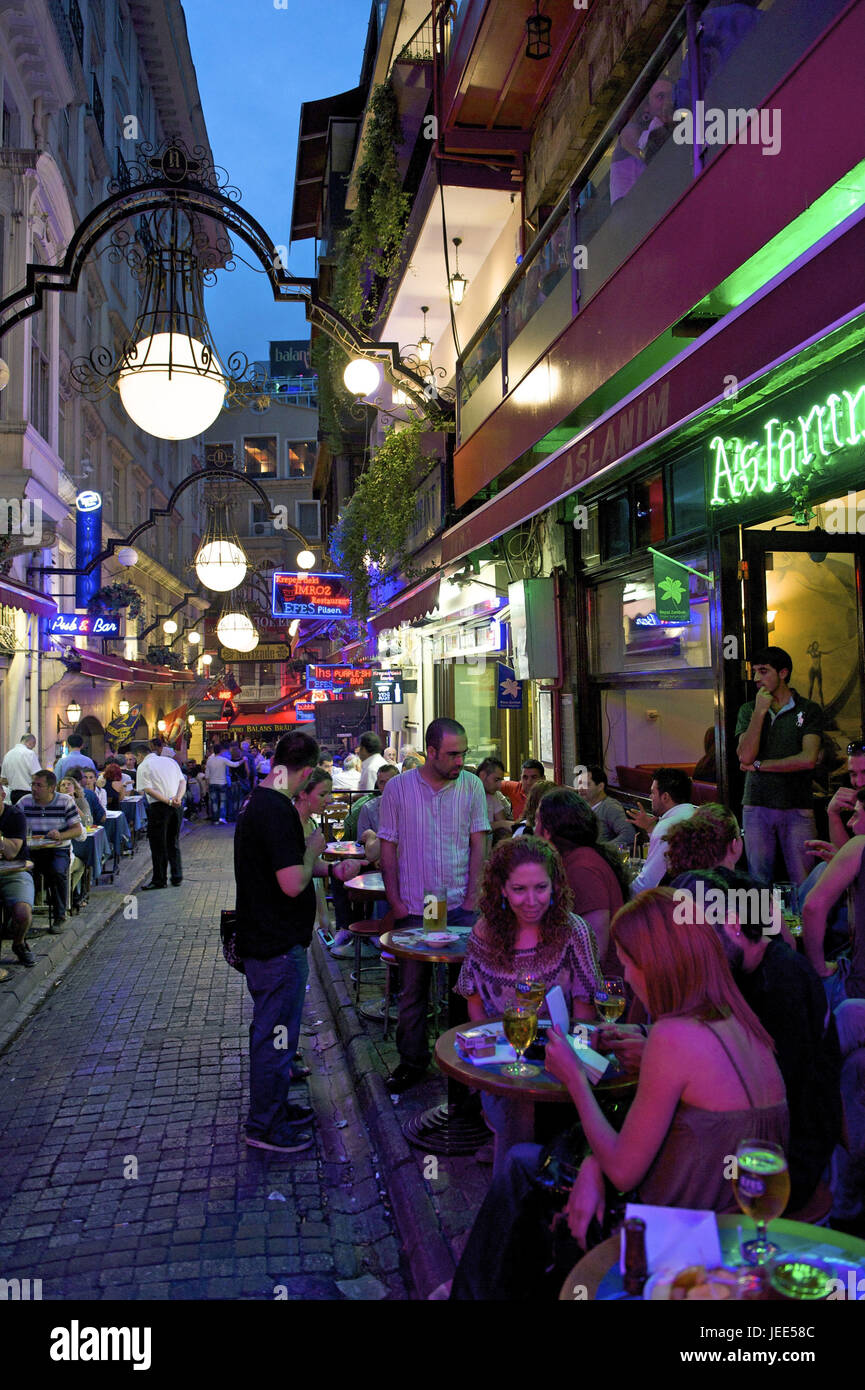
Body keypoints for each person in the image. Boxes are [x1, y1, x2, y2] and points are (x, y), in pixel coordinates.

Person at [449, 888, 787, 1300]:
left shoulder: (674, 1037)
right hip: (723, 1228)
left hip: (673, 1240)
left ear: (657, 963)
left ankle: (469, 1294)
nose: (626, 976)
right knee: (534, 1170)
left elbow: (625, 1171)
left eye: (629, 963)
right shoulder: (744, 1024)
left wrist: (575, 1078)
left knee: (521, 1169)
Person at [233, 732, 368, 1152]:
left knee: (278, 1033)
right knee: (274, 1035)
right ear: (307, 770)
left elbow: (288, 871)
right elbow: (292, 881)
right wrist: (314, 850)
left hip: (268, 938)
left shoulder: (262, 802)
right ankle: (265, 1125)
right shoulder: (275, 811)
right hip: (275, 943)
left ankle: (274, 1108)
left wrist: (328, 871)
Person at [456, 836, 601, 1165]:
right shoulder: (485, 933)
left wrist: (570, 1064)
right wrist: (486, 1064)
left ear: (555, 886)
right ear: (502, 890)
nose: (532, 900)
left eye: (541, 887)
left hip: (561, 1054)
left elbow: (586, 1011)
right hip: (502, 1054)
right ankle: (514, 1168)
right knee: (513, 1105)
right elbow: (473, 997)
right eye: (519, 889)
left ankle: (516, 1169)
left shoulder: (571, 931)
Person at [378, 717, 491, 1093]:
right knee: (413, 989)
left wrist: (475, 895)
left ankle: (462, 1064)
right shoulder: (397, 788)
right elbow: (388, 847)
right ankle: (412, 1062)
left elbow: (479, 843)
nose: (461, 761)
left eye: (464, 753)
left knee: (465, 989)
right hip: (418, 902)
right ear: (431, 752)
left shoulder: (471, 786)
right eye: (453, 754)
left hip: (459, 901)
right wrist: (394, 899)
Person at [735, 646, 822, 886]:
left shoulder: (808, 710)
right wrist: (759, 713)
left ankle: (804, 924)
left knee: (804, 882)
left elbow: (807, 759)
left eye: (763, 671)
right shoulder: (749, 710)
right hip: (756, 804)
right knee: (758, 880)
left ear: (783, 673)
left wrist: (761, 765)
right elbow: (745, 757)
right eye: (754, 672)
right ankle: (763, 925)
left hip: (797, 805)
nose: (756, 679)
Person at [534, 789, 628, 968]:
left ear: (548, 831)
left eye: (537, 819)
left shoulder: (582, 869)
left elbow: (596, 952)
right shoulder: (578, 859)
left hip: (602, 990)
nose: (533, 827)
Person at [19, 770, 83, 930]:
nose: (34, 788)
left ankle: (59, 915)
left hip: (58, 849)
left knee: (57, 871)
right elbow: (12, 822)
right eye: (33, 784)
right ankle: (21, 917)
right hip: (31, 851)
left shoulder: (66, 801)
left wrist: (60, 835)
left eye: (39, 785)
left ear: (51, 788)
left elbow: (77, 830)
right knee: (20, 874)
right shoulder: (24, 802)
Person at [626, 768, 696, 895]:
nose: (650, 797)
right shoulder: (695, 814)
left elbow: (648, 882)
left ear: (665, 797)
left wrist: (623, 895)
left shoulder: (666, 826)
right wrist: (650, 829)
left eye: (653, 793)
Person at [610, 76, 674, 204]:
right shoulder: (630, 130)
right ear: (646, 106)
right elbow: (646, 152)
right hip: (632, 210)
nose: (668, 102)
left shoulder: (666, 129)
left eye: (670, 96)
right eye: (660, 97)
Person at [136, 739, 186, 890]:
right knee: (173, 841)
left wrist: (168, 801)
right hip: (176, 806)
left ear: (139, 755)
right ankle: (177, 876)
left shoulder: (144, 765)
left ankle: (160, 879)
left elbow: (148, 790)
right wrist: (178, 798)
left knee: (158, 844)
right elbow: (182, 782)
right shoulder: (170, 762)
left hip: (159, 808)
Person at [0, 779, 35, 964]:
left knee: (22, 913)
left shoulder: (14, 815)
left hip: (15, 872)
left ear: (3, 796)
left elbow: (12, 852)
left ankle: (19, 943)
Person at [574, 766, 632, 851]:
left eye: (586, 784)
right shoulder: (580, 805)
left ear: (600, 786)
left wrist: (601, 850)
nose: (581, 788)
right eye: (579, 784)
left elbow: (628, 834)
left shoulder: (610, 807)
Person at [356, 763, 400, 864]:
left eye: (390, 782)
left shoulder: (408, 806)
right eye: (382, 782)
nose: (386, 786)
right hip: (373, 864)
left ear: (398, 782)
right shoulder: (368, 808)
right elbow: (361, 843)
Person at [476, 757, 514, 844]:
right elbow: (473, 828)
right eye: (496, 780)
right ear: (482, 775)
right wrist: (501, 824)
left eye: (500, 780)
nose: (499, 786)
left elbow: (503, 823)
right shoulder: (467, 794)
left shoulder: (493, 795)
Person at [205, 742, 245, 824]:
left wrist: (207, 784)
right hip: (222, 783)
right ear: (220, 751)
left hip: (212, 783)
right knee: (223, 801)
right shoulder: (223, 759)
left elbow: (207, 774)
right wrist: (243, 760)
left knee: (214, 802)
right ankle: (222, 818)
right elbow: (234, 765)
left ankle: (215, 819)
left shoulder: (209, 760)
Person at [1, 734, 42, 803]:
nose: (33, 748)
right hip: (27, 795)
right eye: (33, 746)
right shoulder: (30, 753)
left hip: (13, 795)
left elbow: (3, 780)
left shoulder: (8, 755)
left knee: (17, 813)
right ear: (30, 742)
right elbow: (37, 776)